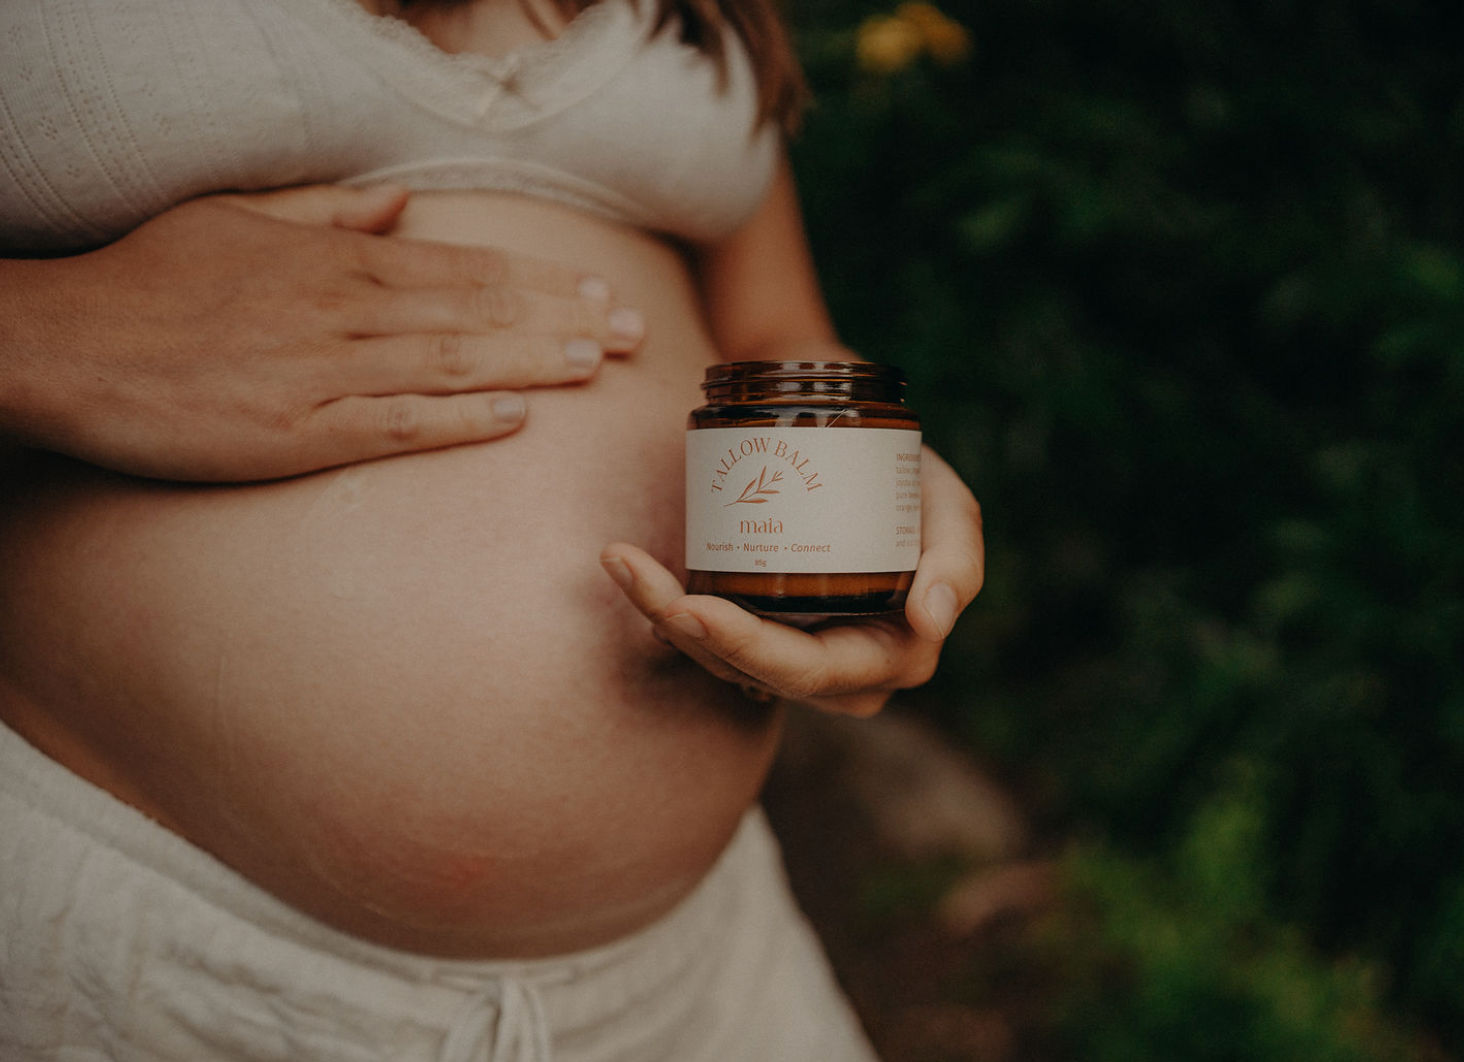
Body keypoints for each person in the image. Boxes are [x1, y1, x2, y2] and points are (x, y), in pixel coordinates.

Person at [0, 0, 985, 1058]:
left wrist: (880, 484)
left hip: (694, 985)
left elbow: (774, 331)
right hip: (132, 950)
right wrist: (47, 335)